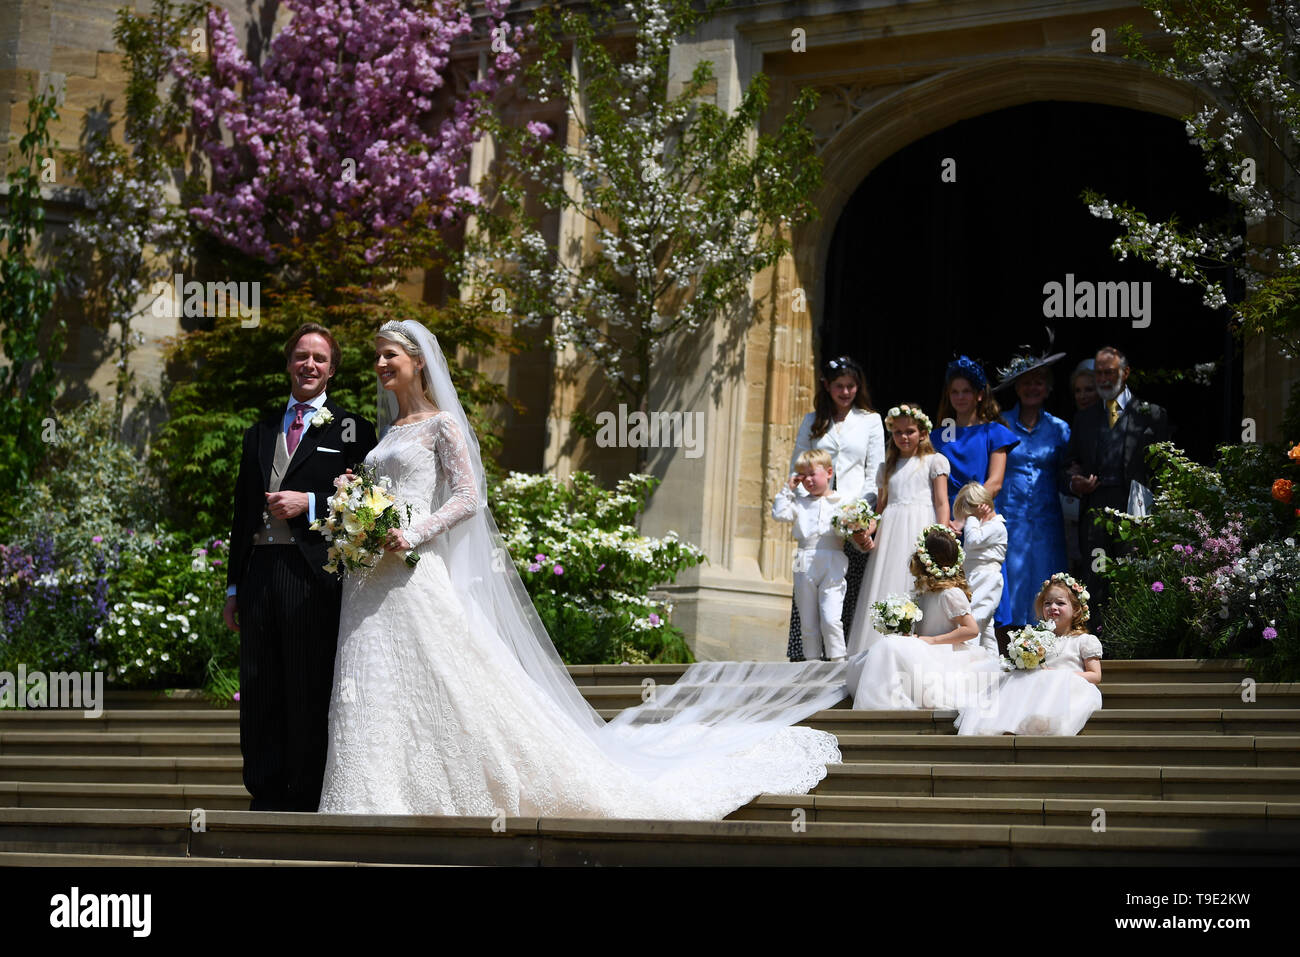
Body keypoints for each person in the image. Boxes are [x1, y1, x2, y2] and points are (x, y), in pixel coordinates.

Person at [317, 319, 846, 819]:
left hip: (413, 568)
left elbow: (468, 497)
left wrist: (411, 532)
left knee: (448, 675)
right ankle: (371, 794)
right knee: (372, 681)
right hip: (368, 580)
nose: (381, 364)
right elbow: (382, 495)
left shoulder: (441, 424)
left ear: (417, 362)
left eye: (390, 355)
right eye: (377, 357)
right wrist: (354, 519)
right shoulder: (387, 433)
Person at [224, 323, 379, 811]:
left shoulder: (352, 429)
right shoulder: (259, 431)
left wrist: (309, 503)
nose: (308, 365)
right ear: (289, 363)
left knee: (306, 684)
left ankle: (305, 794)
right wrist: (233, 588)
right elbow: (240, 514)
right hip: (258, 574)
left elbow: (366, 504)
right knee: (259, 685)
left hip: (311, 575)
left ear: (332, 369)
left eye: (319, 358)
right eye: (300, 356)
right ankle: (263, 792)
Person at [785, 355, 885, 661]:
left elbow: (875, 474)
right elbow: (797, 468)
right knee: (811, 589)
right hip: (818, 516)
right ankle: (807, 658)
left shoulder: (870, 421)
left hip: (853, 512)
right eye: (839, 386)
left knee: (847, 588)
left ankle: (846, 657)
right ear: (827, 387)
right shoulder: (812, 421)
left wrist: (856, 513)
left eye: (851, 386)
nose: (845, 392)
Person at [1062, 346, 1172, 608]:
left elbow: (1164, 469)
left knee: (1133, 579)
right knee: (1095, 582)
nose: (1103, 379)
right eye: (1099, 373)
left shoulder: (1151, 415)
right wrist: (1074, 481)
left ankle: (1132, 646)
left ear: (1125, 373)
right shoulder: (1084, 418)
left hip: (1135, 509)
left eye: (1109, 372)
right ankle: (1098, 643)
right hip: (1095, 511)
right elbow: (1068, 464)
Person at [848, 525, 994, 710]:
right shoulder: (924, 593)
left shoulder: (950, 593)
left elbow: (971, 630)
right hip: (923, 647)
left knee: (889, 647)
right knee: (879, 650)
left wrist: (932, 640)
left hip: (942, 652)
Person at [844, 404, 950, 654]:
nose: (904, 437)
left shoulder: (934, 461)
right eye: (898, 432)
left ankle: (916, 649)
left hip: (920, 526)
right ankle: (877, 649)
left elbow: (942, 502)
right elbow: (879, 509)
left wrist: (940, 538)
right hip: (891, 531)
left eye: (910, 431)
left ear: (922, 433)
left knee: (916, 584)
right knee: (887, 583)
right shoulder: (887, 467)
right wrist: (865, 531)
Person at [954, 573, 1102, 736]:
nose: (1053, 607)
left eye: (1060, 603)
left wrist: (1061, 676)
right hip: (1038, 685)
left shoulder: (1084, 640)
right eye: (1047, 603)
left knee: (1045, 683)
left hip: (1067, 688)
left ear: (1075, 610)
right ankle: (1008, 723)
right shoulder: (1034, 637)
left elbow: (1095, 675)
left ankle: (1038, 722)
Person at [992, 351, 1071, 630]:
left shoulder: (1060, 429)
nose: (1032, 388)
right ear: (1016, 387)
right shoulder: (1000, 424)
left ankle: (1047, 649)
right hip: (1010, 517)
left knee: (1047, 581)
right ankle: (1007, 653)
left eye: (1038, 382)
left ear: (1048, 388)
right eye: (1026, 382)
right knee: (1010, 582)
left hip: (1047, 520)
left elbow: (1066, 474)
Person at [772, 450, 852, 662]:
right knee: (807, 620)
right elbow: (779, 514)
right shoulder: (799, 502)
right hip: (803, 559)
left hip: (833, 558)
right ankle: (811, 663)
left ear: (828, 472)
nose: (807, 479)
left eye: (812, 474)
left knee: (831, 617)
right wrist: (788, 489)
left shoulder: (842, 501)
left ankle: (837, 661)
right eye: (802, 475)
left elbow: (852, 526)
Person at [930, 355, 1019, 532]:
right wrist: (944, 520)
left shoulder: (994, 432)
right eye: (955, 392)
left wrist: (965, 516)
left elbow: (995, 482)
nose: (960, 397)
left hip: (980, 517)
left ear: (979, 395)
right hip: (943, 518)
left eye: (966, 391)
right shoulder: (937, 437)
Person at [954, 482, 1006, 654]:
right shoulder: (983, 526)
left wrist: (971, 518)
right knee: (986, 626)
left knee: (976, 619)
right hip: (973, 576)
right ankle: (992, 663)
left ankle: (967, 659)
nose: (968, 518)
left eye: (968, 513)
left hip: (987, 578)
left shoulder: (997, 526)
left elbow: (971, 541)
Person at [1062, 359, 1096, 576]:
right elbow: (1065, 466)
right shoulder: (1076, 422)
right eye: (1078, 390)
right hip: (1074, 512)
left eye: (1088, 390)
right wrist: (1073, 480)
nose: (1082, 396)